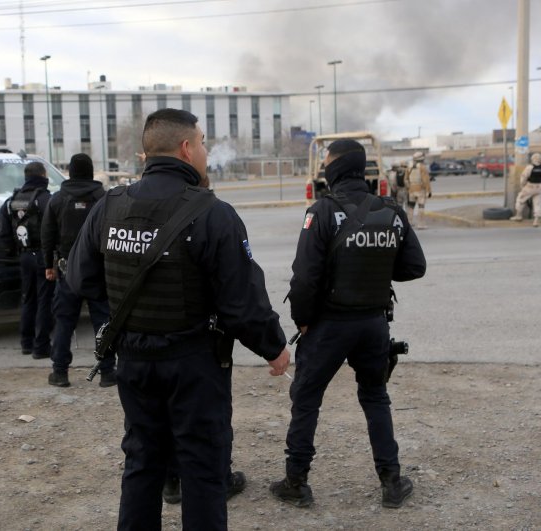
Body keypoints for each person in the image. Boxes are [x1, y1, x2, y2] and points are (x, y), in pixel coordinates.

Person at [67, 108, 291, 530]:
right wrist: (274, 348)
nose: (206, 151)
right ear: (187, 149)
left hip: (133, 360)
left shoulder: (109, 206)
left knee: (142, 462)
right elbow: (242, 301)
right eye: (203, 142)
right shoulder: (212, 213)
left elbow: (80, 278)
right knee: (203, 469)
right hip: (193, 363)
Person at [271, 139, 427, 510]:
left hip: (328, 326)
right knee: (375, 397)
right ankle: (391, 481)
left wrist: (303, 322)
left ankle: (296, 482)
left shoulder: (322, 211)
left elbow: (304, 279)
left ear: (335, 168)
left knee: (306, 400)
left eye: (326, 162)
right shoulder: (391, 210)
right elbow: (413, 266)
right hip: (373, 324)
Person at [40, 153, 115, 387]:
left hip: (67, 270)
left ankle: (60, 372)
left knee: (64, 321)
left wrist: (48, 265)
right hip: (98, 269)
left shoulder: (58, 199)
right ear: (91, 172)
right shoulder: (104, 198)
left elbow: (47, 235)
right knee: (103, 321)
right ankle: (107, 372)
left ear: (70, 172)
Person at [0, 162, 54, 359]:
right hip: (42, 255)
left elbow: (4, 233)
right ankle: (41, 346)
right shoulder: (45, 198)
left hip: (24, 256)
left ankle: (26, 343)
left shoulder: (11, 200)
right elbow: (53, 228)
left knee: (28, 299)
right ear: (42, 175)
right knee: (44, 300)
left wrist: (13, 251)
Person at [509, 152, 541, 227]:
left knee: (520, 199)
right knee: (538, 204)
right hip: (539, 188)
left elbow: (523, 177)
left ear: (532, 159)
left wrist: (522, 185)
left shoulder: (530, 167)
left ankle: (518, 216)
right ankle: (536, 221)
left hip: (530, 187)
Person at [405, 151, 432, 229]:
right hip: (420, 190)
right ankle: (421, 224)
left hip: (411, 190)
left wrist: (409, 188)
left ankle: (409, 223)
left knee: (411, 207)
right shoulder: (422, 167)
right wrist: (428, 191)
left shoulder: (409, 167)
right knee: (421, 207)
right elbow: (426, 180)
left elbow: (406, 179)